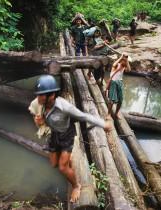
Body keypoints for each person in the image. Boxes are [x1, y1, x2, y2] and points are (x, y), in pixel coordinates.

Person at [29, 75, 112, 203]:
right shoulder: (39, 104)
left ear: (52, 95)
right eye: (38, 95)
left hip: (66, 134)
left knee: (62, 168)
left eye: (41, 95)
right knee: (53, 164)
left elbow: (85, 116)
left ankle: (76, 186)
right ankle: (67, 158)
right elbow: (40, 125)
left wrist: (103, 124)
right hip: (53, 134)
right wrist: (39, 122)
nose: (38, 98)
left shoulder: (64, 106)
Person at [106, 53, 131, 119]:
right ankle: (108, 114)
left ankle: (116, 113)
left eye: (125, 60)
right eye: (124, 60)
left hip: (119, 83)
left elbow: (129, 70)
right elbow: (114, 64)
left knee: (120, 100)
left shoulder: (124, 66)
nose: (124, 61)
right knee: (112, 100)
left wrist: (127, 60)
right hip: (113, 82)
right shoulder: (117, 64)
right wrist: (121, 57)